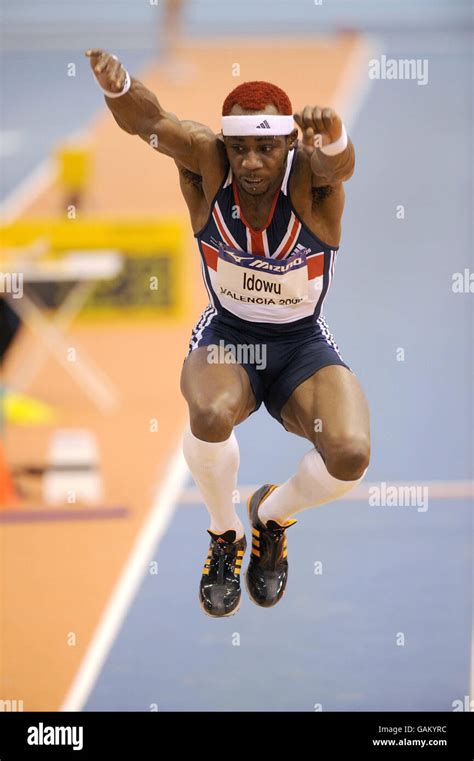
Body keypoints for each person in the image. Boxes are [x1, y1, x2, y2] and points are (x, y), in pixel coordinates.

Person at [86, 49, 371, 618]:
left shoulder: (312, 183)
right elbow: (150, 123)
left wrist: (334, 138)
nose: (251, 163)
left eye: (266, 148)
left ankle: (270, 514)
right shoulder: (205, 163)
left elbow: (338, 168)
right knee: (210, 415)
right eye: (240, 148)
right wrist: (119, 89)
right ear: (225, 144)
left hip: (301, 346)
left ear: (289, 144)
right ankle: (225, 535)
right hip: (229, 338)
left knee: (350, 454)